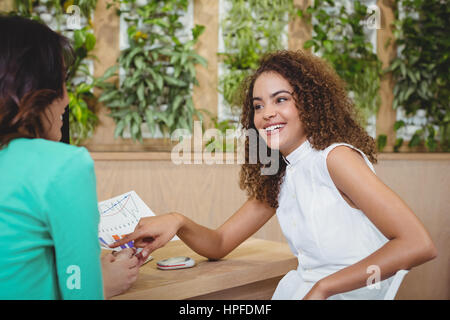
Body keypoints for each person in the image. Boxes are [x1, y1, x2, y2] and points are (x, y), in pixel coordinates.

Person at [112, 50, 438, 299]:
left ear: (309, 103)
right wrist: (178, 221)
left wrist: (324, 287)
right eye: (257, 105)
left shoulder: (335, 158)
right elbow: (220, 243)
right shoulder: (281, 173)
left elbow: (418, 244)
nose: (267, 113)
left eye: (280, 100)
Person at [0, 15, 142, 299]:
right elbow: (81, 293)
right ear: (34, 89)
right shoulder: (64, 165)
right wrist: (98, 283)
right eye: (61, 83)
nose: (66, 99)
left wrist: (84, 266)